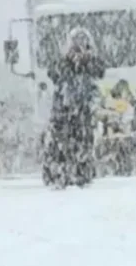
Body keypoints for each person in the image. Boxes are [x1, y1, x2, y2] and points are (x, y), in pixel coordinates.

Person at [45, 27, 105, 188]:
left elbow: (100, 71)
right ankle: (59, 173)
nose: (79, 49)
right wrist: (69, 61)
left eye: (83, 45)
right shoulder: (62, 64)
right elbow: (53, 73)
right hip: (62, 113)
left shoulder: (91, 65)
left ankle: (81, 172)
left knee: (84, 142)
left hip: (83, 113)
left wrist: (87, 60)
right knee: (60, 144)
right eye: (76, 45)